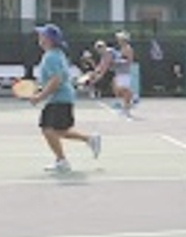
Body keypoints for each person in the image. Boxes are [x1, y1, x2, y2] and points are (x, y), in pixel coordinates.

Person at [28, 24, 102, 174]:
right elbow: (53, 79)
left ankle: (62, 161)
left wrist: (40, 97)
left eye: (42, 35)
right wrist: (41, 90)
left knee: (48, 129)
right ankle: (90, 139)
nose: (39, 38)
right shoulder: (56, 54)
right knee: (59, 130)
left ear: (48, 39)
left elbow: (56, 80)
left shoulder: (51, 57)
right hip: (61, 98)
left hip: (60, 99)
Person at [91, 31, 136, 118]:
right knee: (117, 91)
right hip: (118, 72)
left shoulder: (127, 48)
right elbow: (102, 65)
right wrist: (95, 73)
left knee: (123, 91)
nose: (118, 40)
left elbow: (129, 61)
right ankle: (128, 103)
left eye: (119, 39)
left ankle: (128, 106)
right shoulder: (118, 50)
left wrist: (117, 62)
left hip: (124, 72)